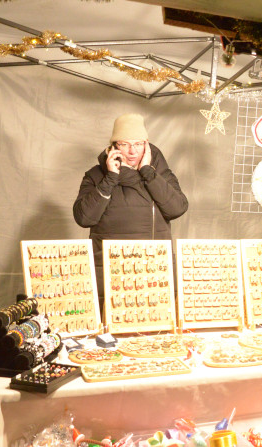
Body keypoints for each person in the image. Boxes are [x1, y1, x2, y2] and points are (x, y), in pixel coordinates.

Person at [72, 113, 188, 309]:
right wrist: (110, 178)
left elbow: (177, 208)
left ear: (147, 145)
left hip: (154, 270)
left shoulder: (160, 173)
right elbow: (84, 218)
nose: (132, 151)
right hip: (111, 272)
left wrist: (148, 173)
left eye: (138, 144)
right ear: (115, 147)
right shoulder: (96, 175)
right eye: (125, 144)